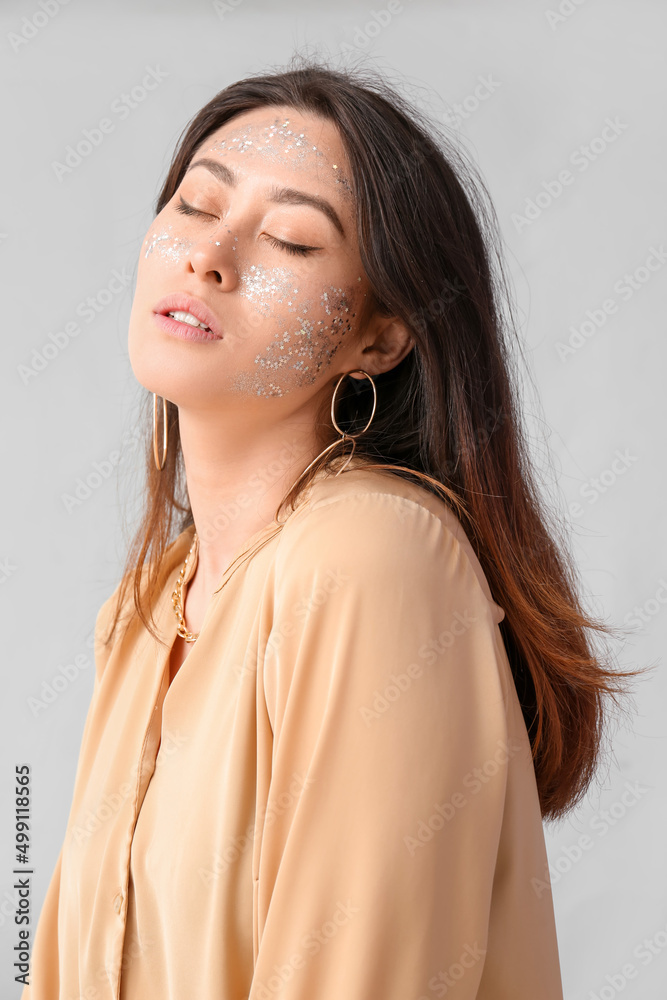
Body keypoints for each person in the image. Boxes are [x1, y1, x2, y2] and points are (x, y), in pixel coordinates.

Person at [22, 56, 637, 1000]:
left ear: (378, 337)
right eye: (194, 205)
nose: (209, 254)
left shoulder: (371, 558)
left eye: (292, 240)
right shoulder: (145, 611)